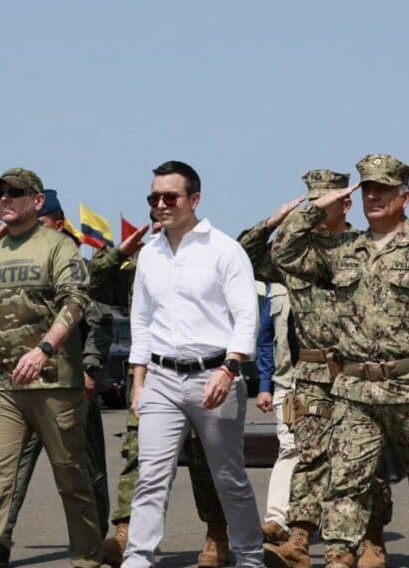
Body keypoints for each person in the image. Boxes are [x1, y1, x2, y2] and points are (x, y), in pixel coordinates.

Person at [272, 154, 409, 568]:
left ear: (405, 197)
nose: (373, 196)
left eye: (383, 190)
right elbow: (284, 252)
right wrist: (315, 207)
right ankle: (339, 557)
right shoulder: (341, 250)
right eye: (367, 189)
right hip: (355, 389)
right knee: (346, 481)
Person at [241, 170, 393, 568]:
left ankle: (373, 539)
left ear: (346, 204)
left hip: (360, 371)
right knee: (310, 456)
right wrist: (275, 220)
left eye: (327, 201)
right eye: (313, 203)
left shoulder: (365, 247)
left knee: (368, 461)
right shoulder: (295, 254)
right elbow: (244, 256)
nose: (319, 209)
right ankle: (300, 540)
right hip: (311, 373)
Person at [0, 168, 101, 568]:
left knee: (72, 481)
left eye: (15, 192)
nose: (5, 198)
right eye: (0, 193)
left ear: (37, 201)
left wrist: (44, 349)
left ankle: (87, 560)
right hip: (3, 388)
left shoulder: (59, 246)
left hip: (54, 385)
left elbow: (75, 301)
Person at [124, 160, 262, 568]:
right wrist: (138, 383)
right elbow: (141, 321)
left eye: (170, 197)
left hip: (214, 376)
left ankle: (250, 557)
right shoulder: (150, 255)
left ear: (194, 199)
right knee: (151, 476)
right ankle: (138, 558)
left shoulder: (224, 249)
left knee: (228, 477)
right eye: (154, 197)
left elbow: (247, 316)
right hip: (161, 380)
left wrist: (229, 369)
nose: (160, 205)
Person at [93, 210, 233, 567]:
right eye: (155, 225)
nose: (161, 230)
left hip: (202, 375)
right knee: (139, 456)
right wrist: (119, 254)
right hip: (151, 377)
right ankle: (127, 532)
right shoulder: (141, 266)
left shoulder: (211, 259)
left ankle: (217, 534)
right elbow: (93, 284)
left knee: (205, 459)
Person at [252, 281, 299, 546]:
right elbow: (266, 338)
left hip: (331, 383)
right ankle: (276, 520)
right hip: (288, 383)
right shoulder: (277, 290)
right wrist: (264, 386)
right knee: (289, 448)